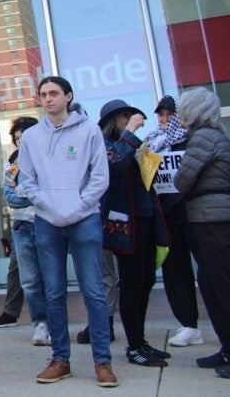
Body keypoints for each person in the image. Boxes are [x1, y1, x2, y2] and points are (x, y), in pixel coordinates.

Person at [17, 76, 117, 388]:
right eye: (43, 94)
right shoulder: (32, 137)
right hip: (46, 220)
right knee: (54, 292)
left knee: (93, 291)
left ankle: (103, 361)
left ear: (68, 96)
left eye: (54, 93)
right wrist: (49, 205)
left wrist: (78, 206)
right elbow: (27, 182)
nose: (48, 99)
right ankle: (60, 359)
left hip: (84, 218)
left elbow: (100, 177)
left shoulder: (88, 130)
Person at [98, 98, 170, 368]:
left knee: (146, 279)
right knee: (131, 283)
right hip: (125, 224)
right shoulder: (105, 145)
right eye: (123, 116)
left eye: (130, 115)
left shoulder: (134, 144)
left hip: (148, 216)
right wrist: (130, 132)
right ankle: (134, 345)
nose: (129, 120)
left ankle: (141, 341)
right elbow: (113, 164)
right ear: (111, 121)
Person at [173, 87, 230, 378]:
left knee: (221, 286)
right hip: (211, 218)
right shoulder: (212, 136)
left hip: (213, 220)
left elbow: (182, 181)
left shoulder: (203, 138)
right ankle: (227, 348)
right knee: (211, 284)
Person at [144, 95, 202, 348]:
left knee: (211, 269)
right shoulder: (152, 143)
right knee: (175, 270)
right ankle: (189, 324)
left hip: (194, 212)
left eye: (170, 114)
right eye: (161, 115)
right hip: (167, 215)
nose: (165, 119)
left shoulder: (192, 140)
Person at [0, 116, 50, 346]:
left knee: (50, 276)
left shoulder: (46, 157)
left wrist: (24, 191)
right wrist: (31, 193)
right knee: (29, 279)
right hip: (22, 226)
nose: (20, 141)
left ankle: (54, 322)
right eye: (17, 138)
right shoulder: (13, 164)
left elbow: (49, 190)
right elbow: (10, 198)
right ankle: (40, 322)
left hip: (46, 222)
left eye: (24, 136)